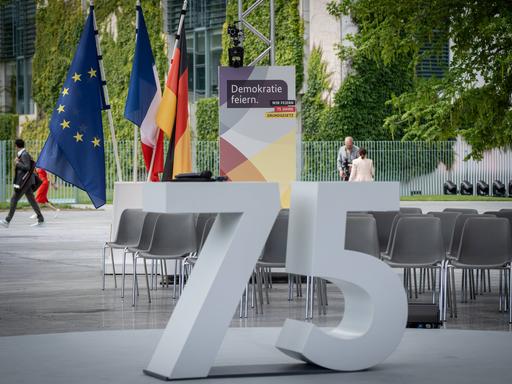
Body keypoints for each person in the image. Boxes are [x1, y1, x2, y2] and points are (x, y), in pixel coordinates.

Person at [0, 139, 44, 227]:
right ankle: (41, 219)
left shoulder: (24, 155)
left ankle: (7, 220)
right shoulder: (23, 154)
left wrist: (17, 163)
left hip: (25, 182)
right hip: (27, 181)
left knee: (14, 199)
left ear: (16, 146)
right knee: (32, 200)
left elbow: (27, 167)